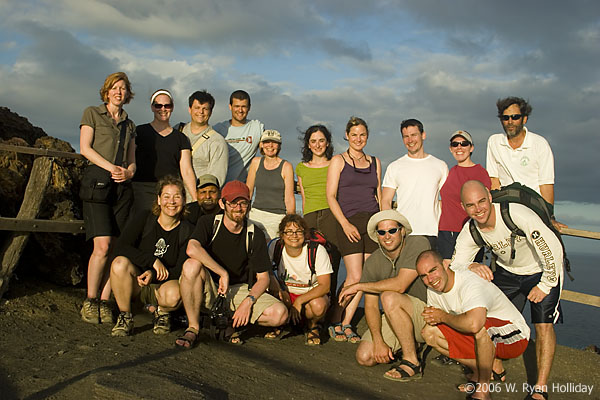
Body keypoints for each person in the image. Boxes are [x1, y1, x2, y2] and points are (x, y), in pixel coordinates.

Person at [452, 180, 563, 400]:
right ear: (464, 207)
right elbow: (456, 264)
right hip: (508, 272)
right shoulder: (472, 228)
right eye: (471, 205)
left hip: (541, 269)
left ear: (490, 197)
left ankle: (540, 388)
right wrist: (472, 265)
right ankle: (496, 370)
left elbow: (552, 249)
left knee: (542, 326)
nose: (478, 209)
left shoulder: (516, 214)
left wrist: (545, 285)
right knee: (491, 321)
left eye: (482, 201)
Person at [175, 180, 288, 348]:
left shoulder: (254, 233)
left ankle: (227, 322)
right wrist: (222, 273)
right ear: (223, 203)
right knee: (191, 265)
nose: (238, 208)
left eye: (243, 203)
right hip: (210, 286)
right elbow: (192, 248)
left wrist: (248, 302)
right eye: (233, 203)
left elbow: (263, 278)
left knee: (279, 314)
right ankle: (193, 327)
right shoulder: (209, 223)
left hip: (239, 289)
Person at [418, 250, 530, 400]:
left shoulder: (469, 283)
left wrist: (442, 316)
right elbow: (435, 317)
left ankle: (483, 390)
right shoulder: (433, 288)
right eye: (423, 276)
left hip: (513, 335)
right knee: (429, 333)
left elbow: (474, 324)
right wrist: (432, 316)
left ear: (445, 265)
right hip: (483, 335)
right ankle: (484, 370)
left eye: (433, 270)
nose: (430, 279)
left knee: (481, 327)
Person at [338, 210, 431, 381]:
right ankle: (410, 342)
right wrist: (378, 340)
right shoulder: (374, 261)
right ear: (377, 235)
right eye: (381, 232)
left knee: (388, 296)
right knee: (365, 356)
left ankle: (412, 362)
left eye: (392, 230)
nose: (387, 236)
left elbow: (400, 285)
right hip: (398, 314)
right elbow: (371, 305)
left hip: (428, 315)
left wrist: (358, 285)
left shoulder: (418, 243)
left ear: (402, 231)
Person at [79, 71, 136, 324]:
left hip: (122, 189)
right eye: (115, 87)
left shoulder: (129, 124)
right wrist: (110, 167)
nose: (119, 92)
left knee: (115, 247)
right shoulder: (92, 113)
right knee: (101, 246)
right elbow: (85, 148)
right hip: (96, 183)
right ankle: (90, 300)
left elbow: (133, 160)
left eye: (123, 88)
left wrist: (128, 172)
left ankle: (104, 300)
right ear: (106, 91)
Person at [110, 176, 193, 336]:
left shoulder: (187, 230)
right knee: (119, 263)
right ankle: (125, 316)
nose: (172, 202)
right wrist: (152, 261)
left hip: (164, 287)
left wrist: (154, 273)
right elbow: (121, 247)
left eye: (177, 197)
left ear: (184, 200)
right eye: (166, 196)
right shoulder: (144, 218)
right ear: (159, 199)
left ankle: (162, 313)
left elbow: (180, 269)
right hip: (137, 283)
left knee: (175, 293)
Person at [326, 116, 381, 343]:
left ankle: (347, 323)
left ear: (367, 137)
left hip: (372, 223)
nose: (358, 139)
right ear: (347, 136)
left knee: (365, 276)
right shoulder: (339, 161)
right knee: (354, 275)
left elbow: (378, 195)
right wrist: (345, 223)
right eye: (354, 134)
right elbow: (330, 196)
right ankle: (335, 319)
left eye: (362, 135)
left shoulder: (375, 161)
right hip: (349, 222)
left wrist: (383, 223)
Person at [486, 97, 565, 230]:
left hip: (533, 211)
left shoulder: (539, 144)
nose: (510, 122)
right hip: (507, 211)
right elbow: (494, 180)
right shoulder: (494, 142)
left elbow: (546, 184)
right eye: (505, 118)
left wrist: (550, 217)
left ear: (524, 119)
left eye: (515, 117)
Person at [381, 119, 448, 246]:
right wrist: (393, 230)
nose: (410, 140)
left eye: (413, 135)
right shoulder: (394, 167)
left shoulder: (440, 165)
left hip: (433, 233)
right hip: (405, 234)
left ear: (423, 135)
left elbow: (445, 201)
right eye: (406, 136)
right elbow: (386, 201)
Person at [268, 214, 332, 345]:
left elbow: (325, 286)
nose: (294, 235)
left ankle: (312, 326)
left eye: (298, 231)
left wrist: (299, 301)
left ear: (305, 234)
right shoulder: (274, 247)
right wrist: (280, 290)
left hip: (308, 296)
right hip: (286, 294)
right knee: (273, 292)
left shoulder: (316, 251)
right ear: (282, 234)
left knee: (318, 306)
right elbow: (267, 273)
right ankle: (282, 322)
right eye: (289, 232)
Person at [295, 124, 342, 305]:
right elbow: (304, 198)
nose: (317, 144)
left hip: (332, 215)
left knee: (332, 261)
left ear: (327, 142)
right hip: (310, 217)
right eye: (313, 141)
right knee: (311, 262)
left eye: (321, 140)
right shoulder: (301, 168)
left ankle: (330, 307)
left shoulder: (336, 163)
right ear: (308, 144)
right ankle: (311, 305)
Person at [132, 89, 197, 212]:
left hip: (170, 192)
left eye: (167, 105)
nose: (163, 109)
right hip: (142, 189)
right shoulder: (139, 132)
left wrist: (194, 198)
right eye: (158, 105)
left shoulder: (181, 138)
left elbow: (187, 170)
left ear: (172, 107)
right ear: (152, 107)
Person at [438, 130, 491, 263]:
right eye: (455, 144)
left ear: (471, 147)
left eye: (464, 143)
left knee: (471, 274)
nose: (459, 147)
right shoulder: (448, 172)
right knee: (448, 272)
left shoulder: (480, 173)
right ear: (451, 149)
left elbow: (487, 205)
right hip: (446, 232)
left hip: (471, 231)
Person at [246, 129, 295, 241]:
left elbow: (289, 198)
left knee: (271, 250)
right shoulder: (256, 162)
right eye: (267, 142)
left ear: (279, 146)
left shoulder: (286, 166)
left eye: (274, 142)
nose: (270, 145)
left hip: (277, 216)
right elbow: (248, 190)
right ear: (261, 145)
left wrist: (290, 222)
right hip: (255, 213)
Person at [177, 90, 228, 197]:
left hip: (197, 201)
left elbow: (216, 179)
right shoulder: (177, 131)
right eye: (197, 108)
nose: (201, 112)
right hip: (173, 199)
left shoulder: (217, 141)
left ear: (211, 112)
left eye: (205, 109)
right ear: (189, 109)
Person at [213, 90, 264, 183]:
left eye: (243, 106)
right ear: (230, 107)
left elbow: (269, 150)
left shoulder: (257, 128)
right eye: (236, 106)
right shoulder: (218, 129)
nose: (240, 110)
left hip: (242, 189)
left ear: (249, 107)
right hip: (219, 187)